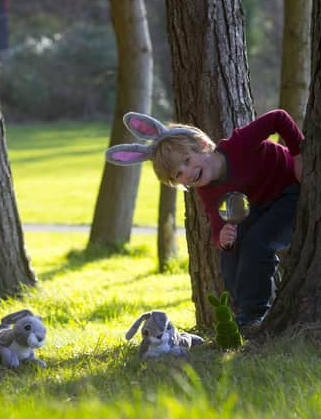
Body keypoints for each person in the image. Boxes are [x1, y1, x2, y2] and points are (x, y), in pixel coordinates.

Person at [105, 109, 304, 334]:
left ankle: (254, 314)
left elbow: (278, 118)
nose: (188, 173)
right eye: (178, 174)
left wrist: (298, 155)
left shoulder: (238, 145)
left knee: (259, 242)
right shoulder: (207, 190)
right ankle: (243, 312)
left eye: (187, 161)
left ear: (201, 144)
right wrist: (223, 239)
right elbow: (218, 221)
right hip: (263, 205)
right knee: (232, 249)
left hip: (291, 190)